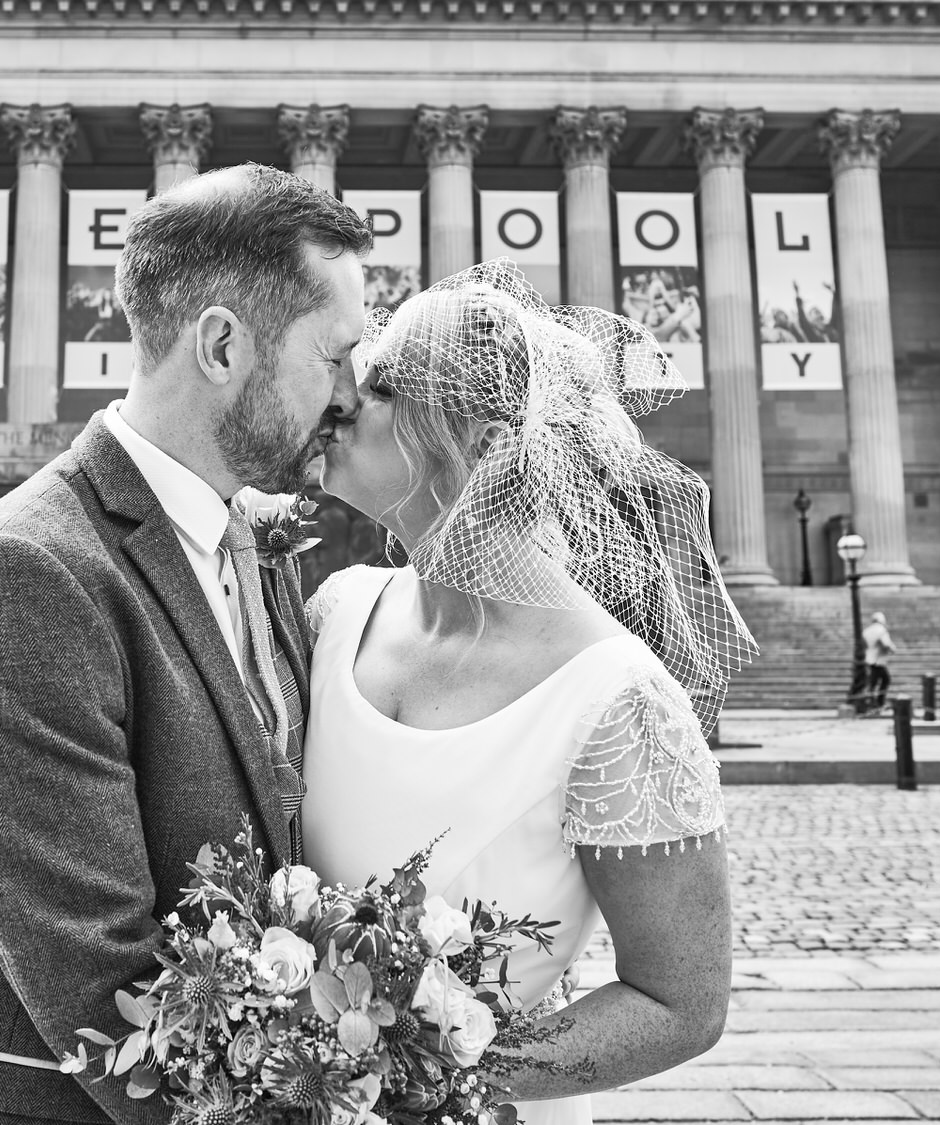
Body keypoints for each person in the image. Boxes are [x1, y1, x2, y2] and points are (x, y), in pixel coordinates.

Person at [0, 164, 372, 1125]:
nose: (352, 395)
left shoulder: (254, 542)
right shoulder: (26, 574)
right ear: (224, 343)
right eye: (334, 354)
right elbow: (100, 973)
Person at [304, 261, 750, 1125]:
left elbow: (681, 1001)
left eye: (387, 382)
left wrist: (414, 1069)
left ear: (487, 438)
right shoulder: (335, 610)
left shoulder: (618, 698)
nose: (346, 396)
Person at [859, 610, 896, 714]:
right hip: (879, 660)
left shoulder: (866, 631)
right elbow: (886, 644)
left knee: (874, 682)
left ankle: (873, 702)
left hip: (870, 659)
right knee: (885, 680)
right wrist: (892, 649)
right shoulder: (881, 630)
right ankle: (877, 702)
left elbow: (864, 645)